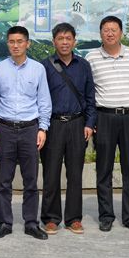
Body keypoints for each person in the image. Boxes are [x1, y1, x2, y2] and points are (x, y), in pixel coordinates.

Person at [0, 26, 51, 240]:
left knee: (30, 180)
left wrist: (43, 128)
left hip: (30, 129)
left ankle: (31, 223)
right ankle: (4, 223)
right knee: (4, 180)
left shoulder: (38, 69)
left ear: (27, 43)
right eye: (12, 41)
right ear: (8, 43)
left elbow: (43, 100)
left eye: (20, 41)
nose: (16, 45)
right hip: (5, 128)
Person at [88, 15, 129, 232]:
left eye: (114, 29)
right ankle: (106, 216)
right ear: (100, 33)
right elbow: (88, 92)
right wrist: (92, 120)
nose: (110, 33)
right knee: (103, 169)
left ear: (121, 33)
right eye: (106, 30)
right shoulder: (91, 57)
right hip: (104, 117)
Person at [40, 22, 95, 234]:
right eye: (60, 39)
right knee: (51, 173)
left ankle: (73, 218)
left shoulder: (83, 65)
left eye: (68, 38)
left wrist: (89, 123)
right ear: (54, 42)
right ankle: (51, 218)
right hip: (53, 124)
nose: (64, 42)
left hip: (77, 124)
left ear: (74, 41)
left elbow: (90, 97)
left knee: (75, 174)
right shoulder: (45, 66)